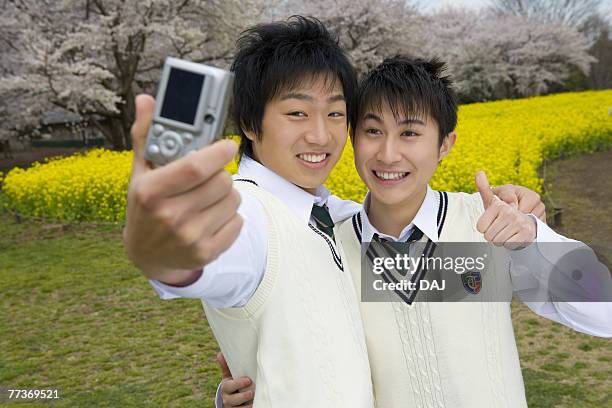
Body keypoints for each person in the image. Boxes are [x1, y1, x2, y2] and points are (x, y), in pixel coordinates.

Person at [123, 17, 545, 408]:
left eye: (335, 113)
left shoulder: (344, 223)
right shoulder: (248, 211)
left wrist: (530, 235)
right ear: (250, 124)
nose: (321, 134)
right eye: (297, 113)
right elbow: (208, 255)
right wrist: (163, 249)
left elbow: (587, 295)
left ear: (445, 143)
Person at [217, 55, 611, 407]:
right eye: (372, 132)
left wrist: (531, 242)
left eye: (409, 133)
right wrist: (244, 395)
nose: (388, 155)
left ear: (445, 144)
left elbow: (604, 313)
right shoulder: (331, 246)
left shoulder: (487, 223)